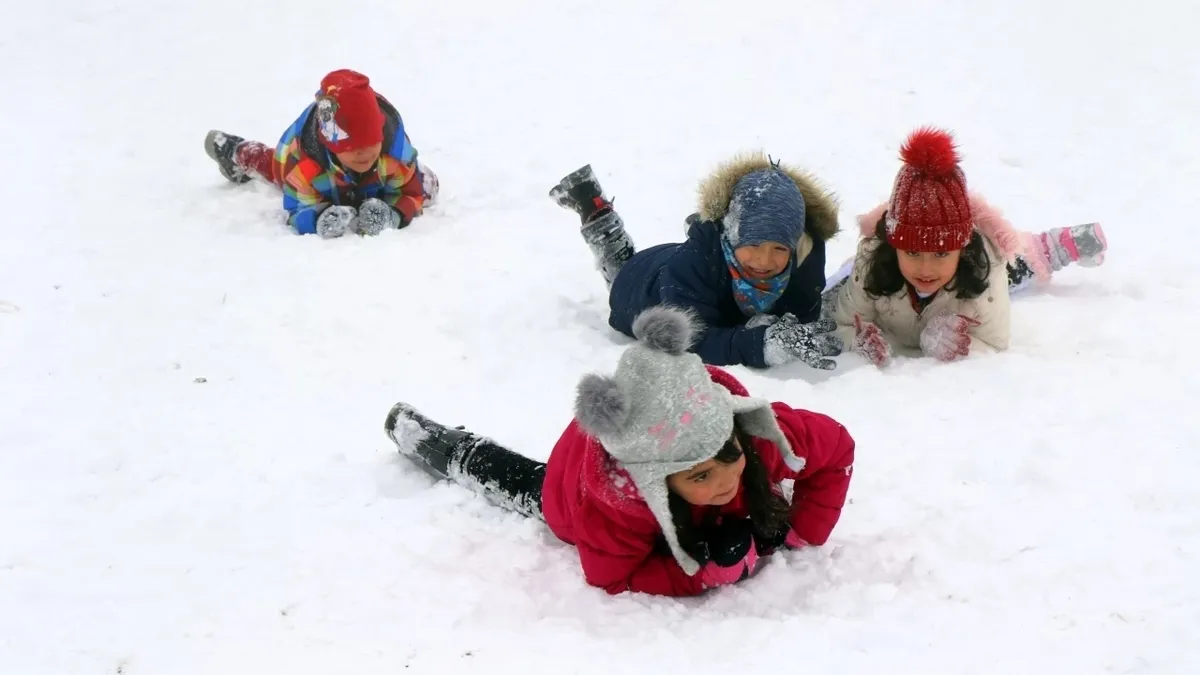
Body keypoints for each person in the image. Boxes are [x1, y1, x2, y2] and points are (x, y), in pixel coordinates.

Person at [384, 306, 856, 597]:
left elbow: (837, 450)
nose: (724, 481)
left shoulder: (753, 434)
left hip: (645, 428)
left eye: (727, 458)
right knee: (525, 483)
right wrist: (701, 574)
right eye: (698, 477)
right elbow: (612, 577)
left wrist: (800, 531)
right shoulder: (617, 505)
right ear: (656, 480)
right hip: (573, 489)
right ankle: (434, 443)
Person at [827, 127, 1107, 366]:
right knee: (836, 290)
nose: (926, 268)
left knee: (1016, 264)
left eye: (940, 253)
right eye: (912, 252)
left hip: (971, 276)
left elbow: (995, 341)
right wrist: (859, 342)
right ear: (894, 246)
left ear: (961, 247)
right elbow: (842, 325)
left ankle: (1051, 247)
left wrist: (954, 343)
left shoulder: (985, 269)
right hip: (884, 272)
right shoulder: (871, 263)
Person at [548, 154, 844, 370]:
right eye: (752, 244)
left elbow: (803, 313)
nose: (764, 261)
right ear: (731, 235)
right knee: (621, 267)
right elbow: (689, 341)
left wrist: (779, 327)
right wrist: (760, 344)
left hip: (691, 265)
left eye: (779, 248)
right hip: (642, 286)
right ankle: (596, 212)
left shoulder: (806, 256)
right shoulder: (692, 266)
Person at [203, 69, 439, 238]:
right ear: (331, 145)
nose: (363, 153)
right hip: (304, 164)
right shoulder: (306, 167)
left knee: (427, 188)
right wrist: (318, 219)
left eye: (370, 142)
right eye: (351, 147)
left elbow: (411, 193)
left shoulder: (395, 157)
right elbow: (296, 209)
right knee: (274, 169)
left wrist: (394, 214)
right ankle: (236, 152)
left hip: (380, 176)